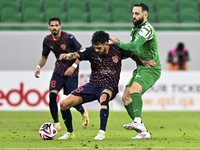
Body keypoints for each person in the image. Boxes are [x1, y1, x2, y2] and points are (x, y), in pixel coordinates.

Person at [57, 30, 156, 140]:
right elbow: (76, 54)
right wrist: (67, 56)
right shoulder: (91, 51)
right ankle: (70, 133)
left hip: (110, 86)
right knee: (63, 104)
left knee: (104, 97)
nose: (97, 50)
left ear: (106, 44)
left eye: (99, 48)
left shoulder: (118, 49)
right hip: (92, 85)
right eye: (95, 47)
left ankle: (101, 132)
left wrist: (144, 62)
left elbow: (132, 54)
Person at [109, 3, 162, 139]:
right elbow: (132, 52)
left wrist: (117, 43)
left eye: (137, 13)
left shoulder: (147, 28)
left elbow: (133, 45)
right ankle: (143, 131)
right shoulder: (135, 30)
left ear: (145, 15)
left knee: (133, 91)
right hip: (142, 67)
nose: (134, 16)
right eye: (133, 13)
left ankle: (137, 121)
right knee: (126, 97)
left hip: (151, 68)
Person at [34, 17, 89, 130]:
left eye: (56, 25)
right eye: (52, 26)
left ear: (60, 26)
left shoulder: (69, 38)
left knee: (72, 99)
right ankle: (56, 123)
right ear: (49, 27)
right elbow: (44, 56)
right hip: (58, 71)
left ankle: (83, 112)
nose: (54, 28)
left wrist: (73, 66)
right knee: (52, 95)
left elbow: (83, 51)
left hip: (71, 72)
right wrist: (38, 66)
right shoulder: (47, 40)